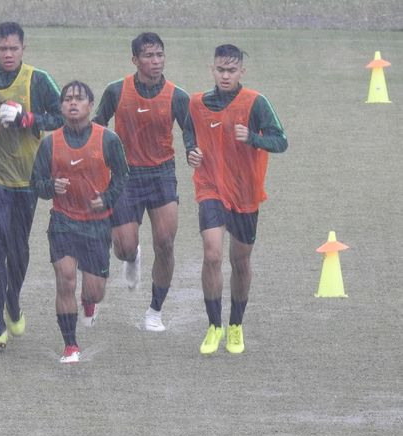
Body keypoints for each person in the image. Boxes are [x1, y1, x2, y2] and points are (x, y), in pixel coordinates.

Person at [183, 44, 288, 354]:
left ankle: (236, 324)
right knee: (212, 253)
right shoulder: (197, 103)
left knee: (240, 261)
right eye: (220, 70)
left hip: (245, 193)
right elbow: (190, 132)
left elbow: (281, 141)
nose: (225, 75)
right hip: (210, 188)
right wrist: (192, 151)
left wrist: (253, 138)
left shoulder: (256, 103)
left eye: (231, 70)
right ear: (212, 69)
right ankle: (214, 326)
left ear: (242, 71)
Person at [0, 21, 63, 350]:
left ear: (23, 49)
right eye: (3, 48)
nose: (8, 54)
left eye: (14, 48)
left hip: (27, 177)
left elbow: (62, 115)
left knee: (18, 247)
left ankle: (13, 299)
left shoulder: (37, 79)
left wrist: (29, 119)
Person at [93, 32, 190, 332]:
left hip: (162, 174)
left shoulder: (177, 95)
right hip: (125, 176)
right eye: (148, 56)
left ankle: (154, 311)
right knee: (122, 248)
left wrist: (194, 150)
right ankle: (132, 256)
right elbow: (98, 125)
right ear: (135, 60)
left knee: (165, 243)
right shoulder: (115, 91)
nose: (156, 61)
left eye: (160, 55)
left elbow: (190, 132)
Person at [31, 81, 129, 363]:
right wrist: (52, 187)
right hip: (62, 221)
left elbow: (122, 176)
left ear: (90, 105)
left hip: (97, 224)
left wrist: (107, 199)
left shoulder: (108, 139)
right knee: (65, 280)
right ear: (61, 107)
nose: (73, 103)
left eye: (80, 99)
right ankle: (70, 345)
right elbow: (36, 184)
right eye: (68, 99)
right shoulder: (49, 143)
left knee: (94, 292)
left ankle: (89, 303)